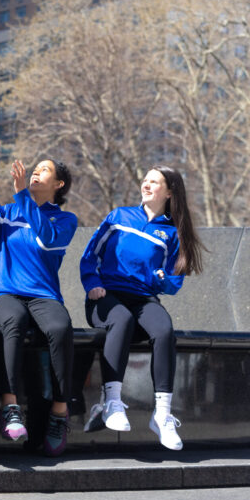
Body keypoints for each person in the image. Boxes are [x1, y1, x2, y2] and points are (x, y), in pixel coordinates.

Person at [0, 138, 77, 457]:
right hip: (6, 293)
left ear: (59, 184)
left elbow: (47, 239)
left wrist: (23, 195)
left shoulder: (64, 220)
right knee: (13, 321)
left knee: (59, 328)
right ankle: (9, 407)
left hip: (44, 296)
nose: (36, 173)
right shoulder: (8, 214)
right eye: (35, 169)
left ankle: (59, 412)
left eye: (44, 171)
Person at [79, 166, 204, 450]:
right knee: (121, 318)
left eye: (154, 182)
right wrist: (92, 285)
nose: (146, 185)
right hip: (106, 297)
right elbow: (89, 258)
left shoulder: (171, 232)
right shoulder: (118, 217)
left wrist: (159, 280)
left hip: (143, 298)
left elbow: (173, 283)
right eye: (145, 180)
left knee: (163, 330)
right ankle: (112, 401)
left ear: (169, 192)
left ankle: (162, 414)